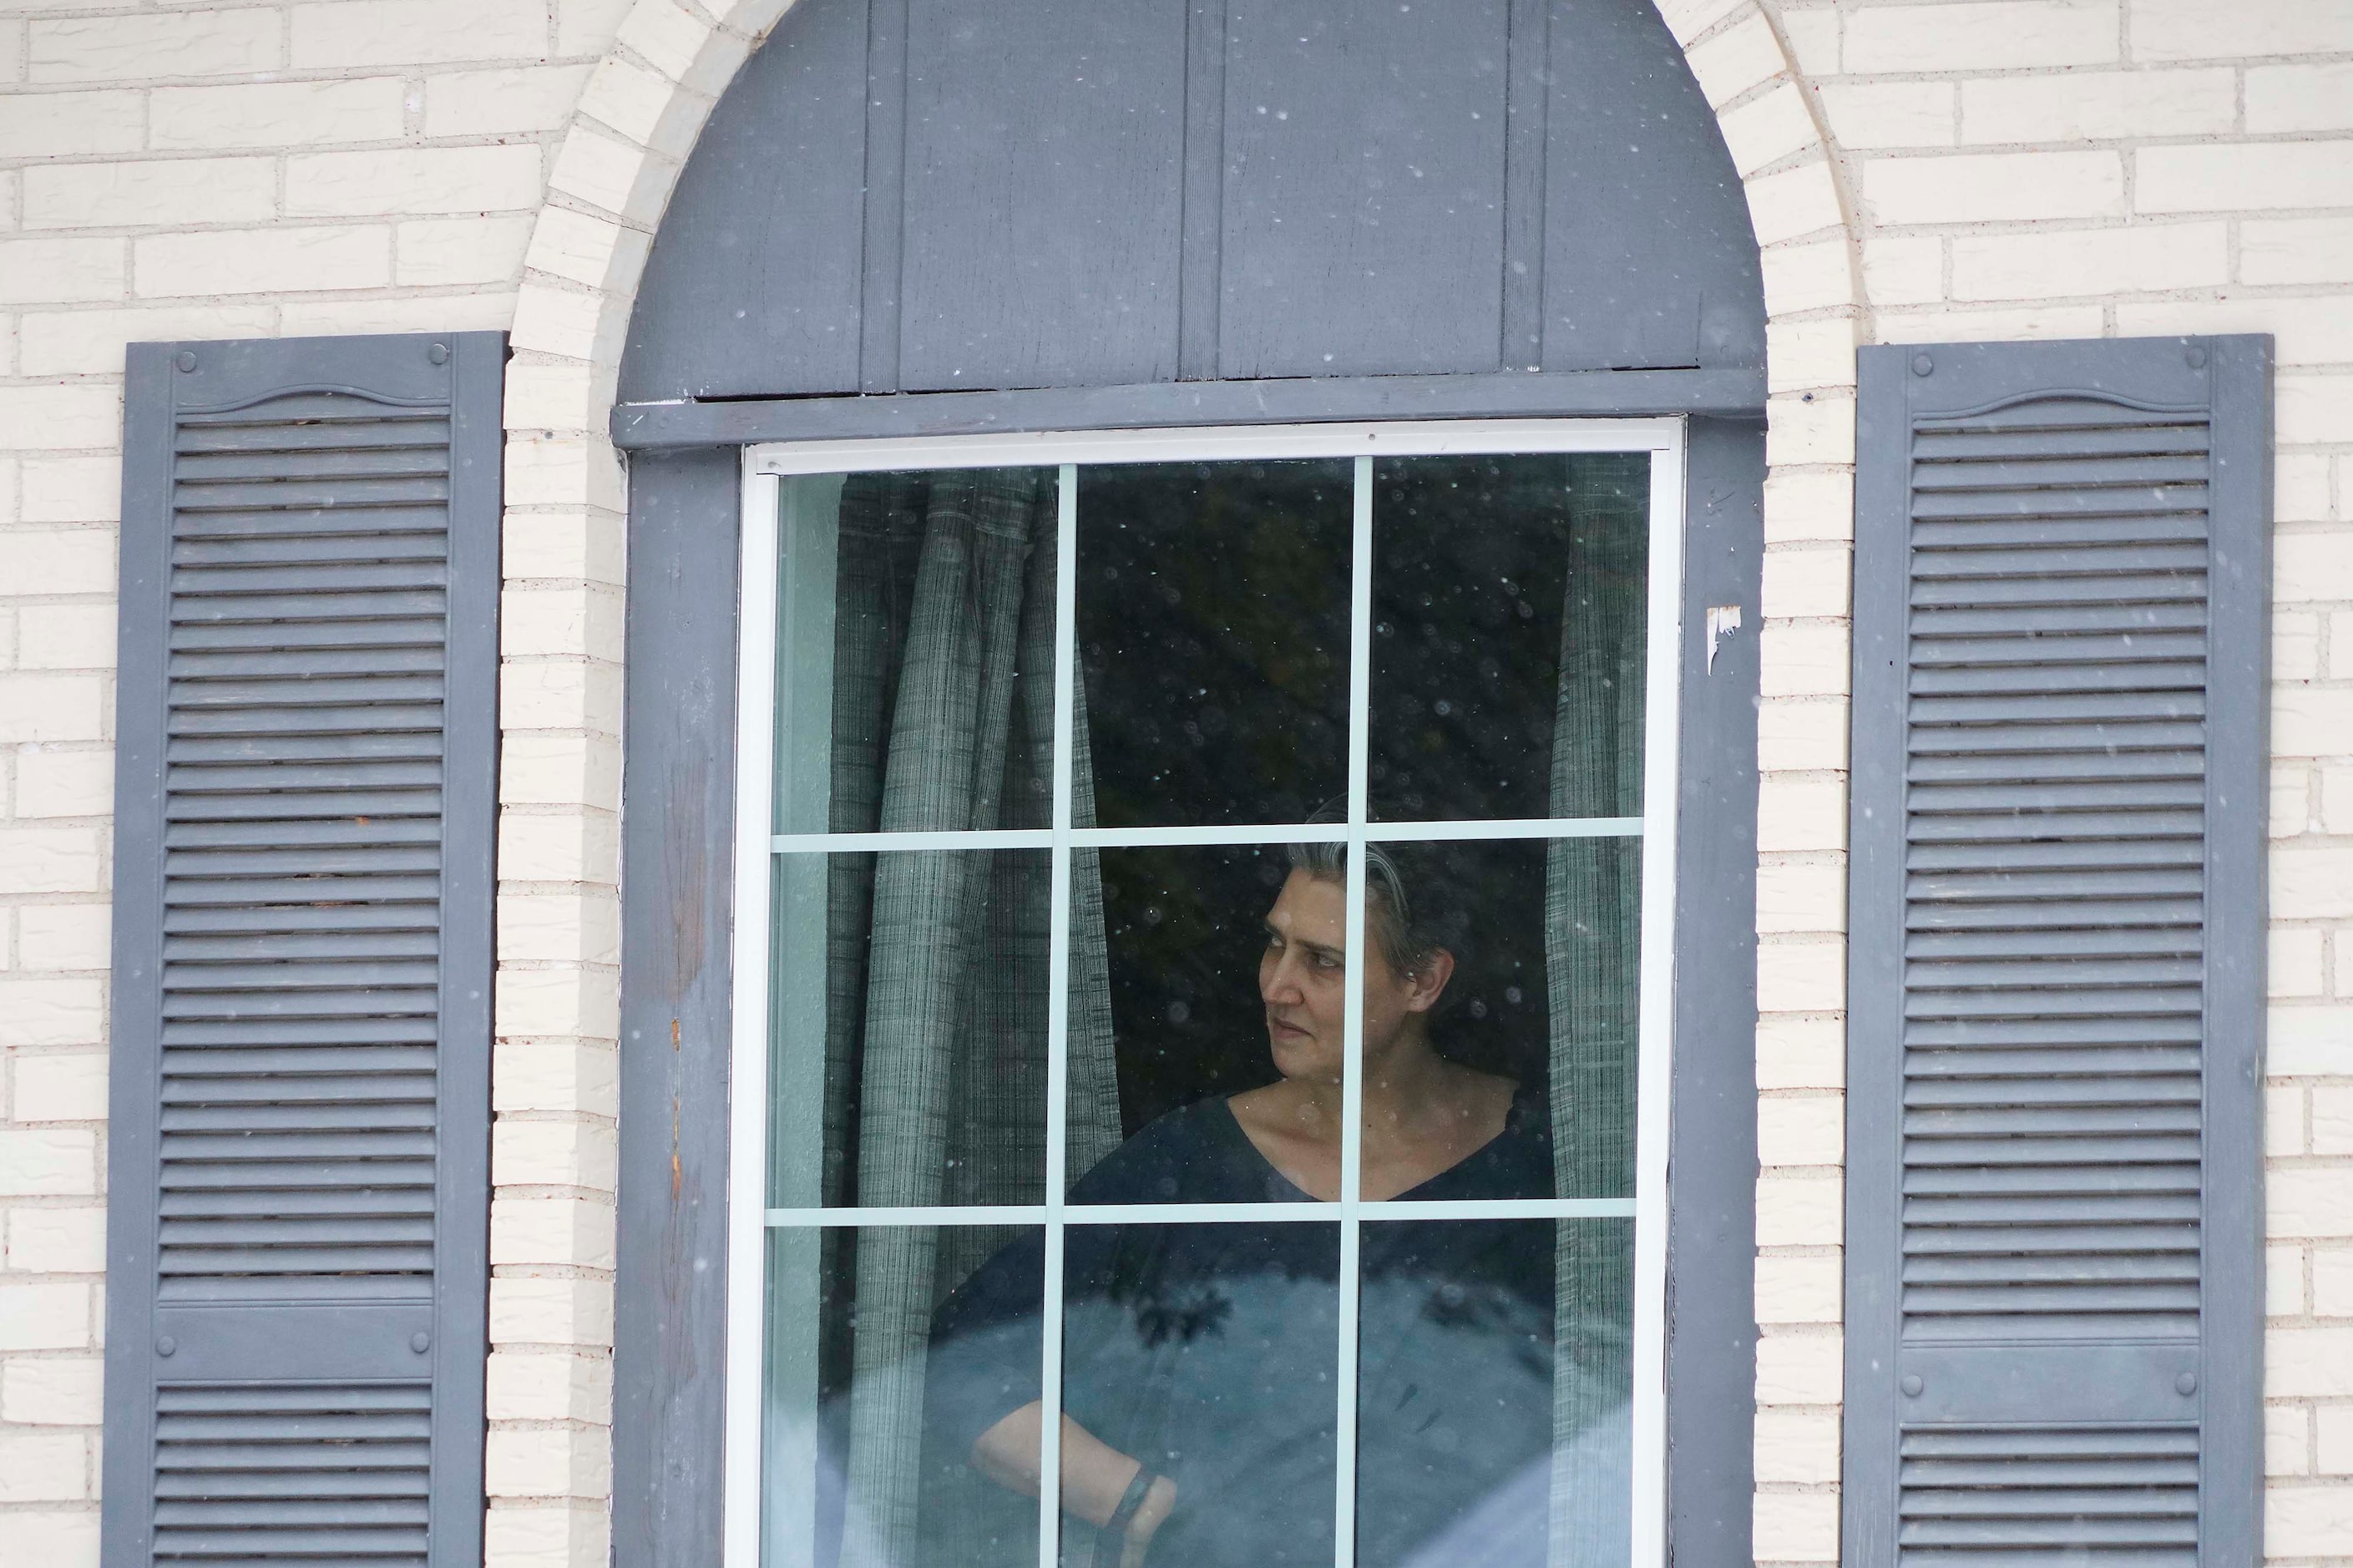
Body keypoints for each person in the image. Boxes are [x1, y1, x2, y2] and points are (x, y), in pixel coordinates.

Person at [923, 837, 1556, 1568]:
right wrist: (1158, 1511)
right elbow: (963, 1372)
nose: (1277, 986)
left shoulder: (1544, 1163)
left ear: (1424, 981)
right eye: (1273, 945)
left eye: (1322, 960)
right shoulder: (1188, 1162)